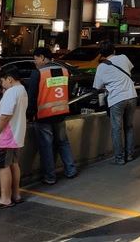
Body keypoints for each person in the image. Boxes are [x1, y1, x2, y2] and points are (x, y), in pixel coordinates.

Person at [29, 47, 78, 182]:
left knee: (46, 146)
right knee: (63, 143)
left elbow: (32, 96)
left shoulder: (38, 73)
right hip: (61, 112)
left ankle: (50, 177)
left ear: (43, 57)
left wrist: (30, 114)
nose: (35, 62)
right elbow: (69, 91)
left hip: (44, 115)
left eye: (36, 59)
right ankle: (71, 170)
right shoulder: (64, 71)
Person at [0, 65, 28, 210]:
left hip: (6, 136)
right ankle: (16, 195)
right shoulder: (22, 90)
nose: (2, 84)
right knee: (14, 164)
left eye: (3, 81)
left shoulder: (11, 92)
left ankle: (5, 199)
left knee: (3, 166)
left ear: (9, 79)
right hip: (17, 135)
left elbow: (6, 115)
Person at [94, 41, 138, 164]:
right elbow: (130, 69)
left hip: (117, 99)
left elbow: (97, 86)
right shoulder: (123, 58)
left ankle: (119, 158)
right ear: (114, 50)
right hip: (132, 96)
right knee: (129, 127)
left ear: (101, 54)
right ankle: (129, 155)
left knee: (116, 129)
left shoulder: (101, 67)